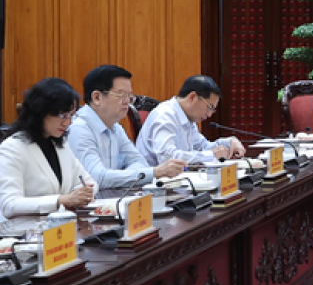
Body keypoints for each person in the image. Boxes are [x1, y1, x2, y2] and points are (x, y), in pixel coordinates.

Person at [68, 65, 186, 190]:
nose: (127, 102)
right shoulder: (79, 129)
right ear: (97, 97)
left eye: (129, 96)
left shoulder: (115, 127)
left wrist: (128, 176)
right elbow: (97, 178)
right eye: (120, 95)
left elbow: (140, 162)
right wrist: (154, 172)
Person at [0, 78, 96, 218]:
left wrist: (82, 194)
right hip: (23, 233)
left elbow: (89, 182)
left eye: (71, 116)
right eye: (62, 115)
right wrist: (62, 200)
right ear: (40, 112)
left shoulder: (59, 144)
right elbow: (9, 205)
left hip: (60, 228)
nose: (67, 122)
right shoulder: (12, 148)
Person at [136, 75, 245, 166]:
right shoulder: (165, 115)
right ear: (192, 97)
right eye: (209, 107)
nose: (209, 114)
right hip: (153, 185)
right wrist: (210, 155)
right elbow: (167, 157)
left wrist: (229, 143)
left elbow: (202, 147)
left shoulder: (188, 117)